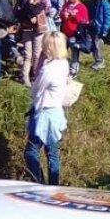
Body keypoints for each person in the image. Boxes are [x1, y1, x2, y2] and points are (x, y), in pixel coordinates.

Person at [24, 31, 69, 185]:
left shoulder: (47, 69)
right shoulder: (63, 64)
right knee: (52, 153)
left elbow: (35, 90)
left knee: (31, 152)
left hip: (44, 114)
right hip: (56, 111)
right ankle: (54, 185)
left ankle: (38, 183)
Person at [89, 0, 110, 70]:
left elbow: (108, 18)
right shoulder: (94, 2)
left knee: (95, 45)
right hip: (93, 27)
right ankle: (97, 59)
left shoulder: (105, 4)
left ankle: (99, 61)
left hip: (100, 29)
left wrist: (105, 30)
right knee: (93, 45)